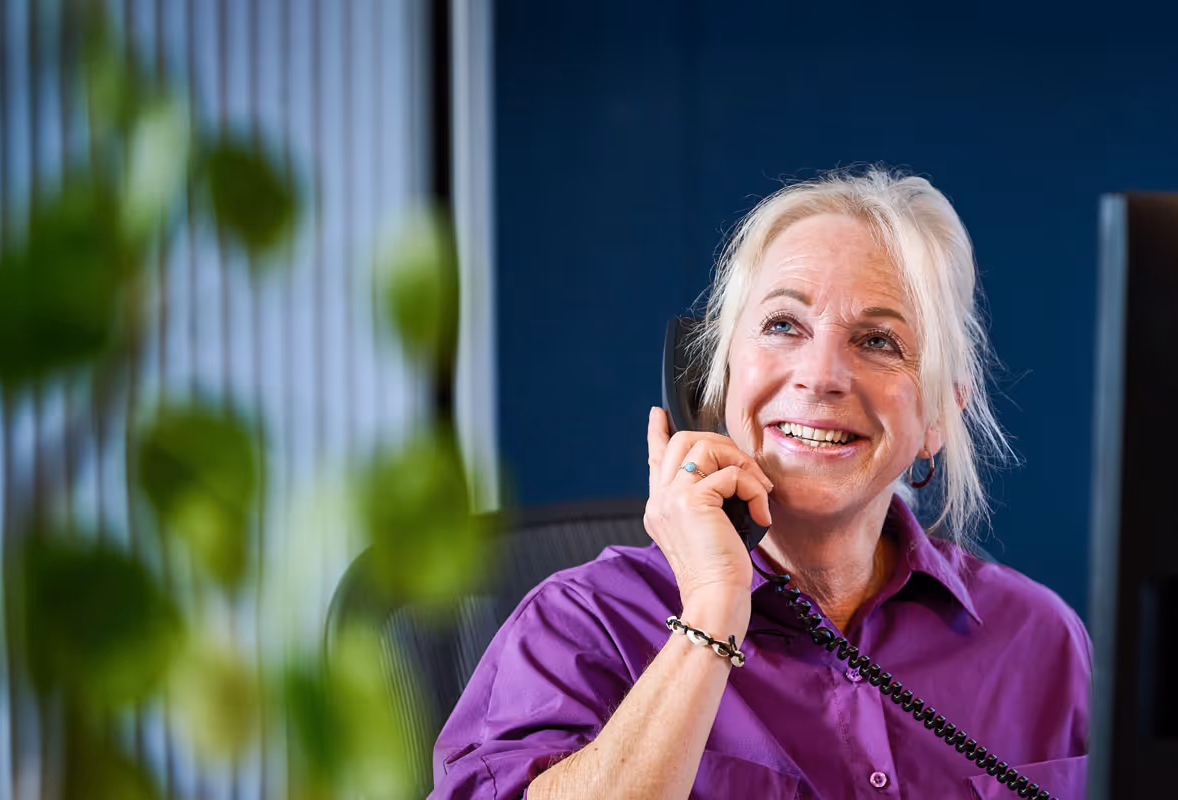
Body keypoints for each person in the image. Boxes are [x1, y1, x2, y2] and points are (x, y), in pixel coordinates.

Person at [431, 167, 1090, 799]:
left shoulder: (1040, 641)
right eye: (783, 326)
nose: (822, 375)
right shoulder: (584, 626)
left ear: (938, 417)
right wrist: (712, 612)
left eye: (879, 341)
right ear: (712, 386)